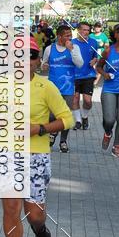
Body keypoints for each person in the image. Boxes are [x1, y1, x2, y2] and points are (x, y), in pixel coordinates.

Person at [0, 36, 73, 237]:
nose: (26, 61)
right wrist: (1, 120)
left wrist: (41, 129)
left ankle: (40, 227)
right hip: (7, 154)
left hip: (36, 155)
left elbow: (68, 119)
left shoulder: (46, 87)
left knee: (34, 213)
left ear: (37, 62)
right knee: (11, 208)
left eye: (31, 56)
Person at [41, 24, 82, 153]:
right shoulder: (49, 48)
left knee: (66, 115)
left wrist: (72, 50)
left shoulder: (75, 48)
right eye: (67, 35)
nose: (70, 38)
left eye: (70, 35)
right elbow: (43, 64)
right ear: (59, 36)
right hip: (52, 88)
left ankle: (63, 141)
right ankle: (52, 134)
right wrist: (44, 66)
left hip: (68, 87)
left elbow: (80, 64)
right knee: (52, 116)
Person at [97, 23, 119, 159]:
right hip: (109, 88)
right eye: (118, 32)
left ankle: (116, 146)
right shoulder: (108, 51)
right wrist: (104, 75)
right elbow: (99, 66)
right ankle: (108, 132)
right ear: (114, 35)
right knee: (109, 120)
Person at [73, 21, 99, 130]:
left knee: (88, 101)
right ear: (78, 30)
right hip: (73, 75)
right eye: (83, 29)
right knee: (75, 99)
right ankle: (78, 121)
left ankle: (84, 117)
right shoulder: (71, 43)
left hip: (88, 75)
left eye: (88, 30)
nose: (86, 32)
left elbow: (95, 57)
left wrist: (94, 60)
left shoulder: (93, 42)